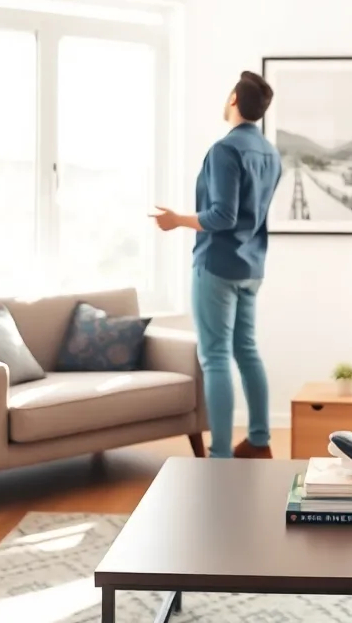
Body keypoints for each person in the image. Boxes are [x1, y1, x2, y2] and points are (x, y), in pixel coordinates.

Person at [152, 70, 283, 460]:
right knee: (247, 351)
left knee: (215, 358)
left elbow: (223, 216)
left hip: (217, 265)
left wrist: (177, 220)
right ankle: (259, 441)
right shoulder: (270, 153)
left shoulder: (225, 149)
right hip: (252, 266)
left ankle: (221, 456)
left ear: (233, 100)